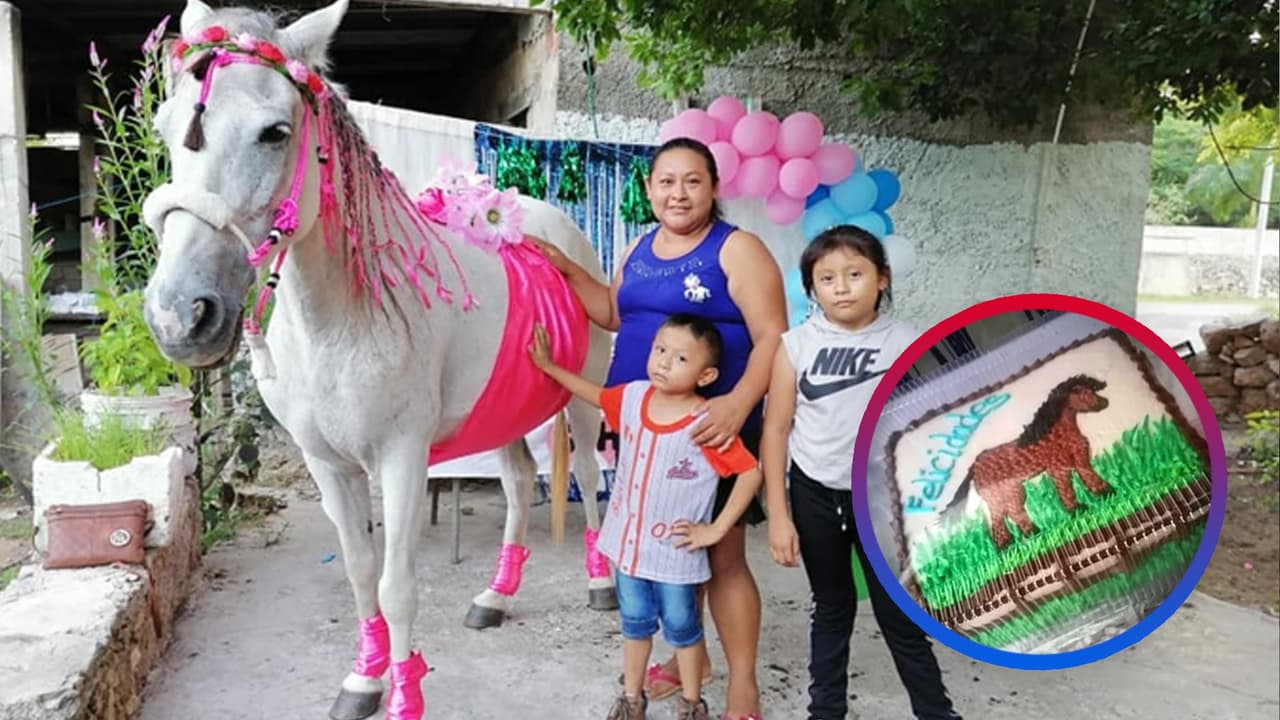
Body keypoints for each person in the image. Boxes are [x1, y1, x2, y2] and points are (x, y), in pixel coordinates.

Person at [532, 137, 786, 719]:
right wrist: (568, 268)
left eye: (692, 180)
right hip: (644, 428)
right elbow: (615, 313)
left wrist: (737, 404)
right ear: (648, 190)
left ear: (714, 189)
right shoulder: (640, 247)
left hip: (711, 429)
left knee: (721, 556)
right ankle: (688, 657)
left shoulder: (737, 248)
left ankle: (743, 685)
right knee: (673, 549)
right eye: (666, 181)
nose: (678, 192)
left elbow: (774, 334)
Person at [760, 226, 963, 720]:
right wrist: (779, 515)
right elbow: (776, 429)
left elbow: (931, 430)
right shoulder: (795, 346)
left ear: (882, 278)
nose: (842, 287)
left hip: (883, 499)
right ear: (811, 288)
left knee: (900, 615)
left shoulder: (908, 344)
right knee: (831, 608)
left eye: (855, 274)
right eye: (826, 278)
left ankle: (937, 713)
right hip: (814, 493)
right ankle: (825, 711)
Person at [530, 314, 764, 720]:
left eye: (679, 358)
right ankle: (632, 699)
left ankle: (692, 704)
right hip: (627, 547)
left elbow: (749, 472)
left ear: (706, 375)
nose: (662, 362)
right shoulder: (634, 398)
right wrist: (551, 367)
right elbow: (594, 393)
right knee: (634, 624)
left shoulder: (706, 421)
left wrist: (716, 529)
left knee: (682, 629)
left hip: (676, 556)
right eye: (660, 350)